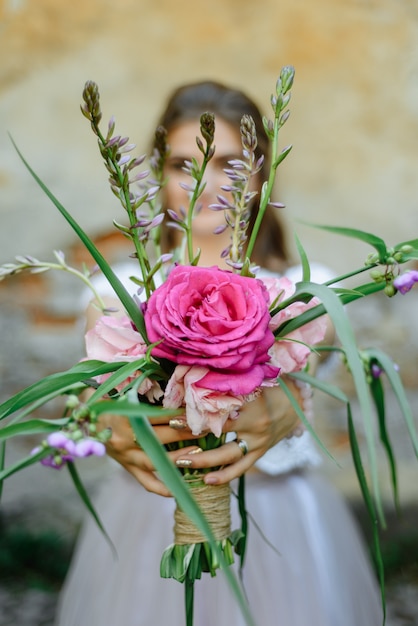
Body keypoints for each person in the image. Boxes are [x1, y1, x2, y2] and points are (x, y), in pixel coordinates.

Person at [55, 80, 383, 625]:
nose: (206, 184)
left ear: (260, 173)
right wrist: (108, 417)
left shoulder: (304, 291)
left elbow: (311, 365)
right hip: (154, 515)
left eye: (229, 163)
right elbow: (100, 391)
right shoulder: (119, 288)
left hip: (278, 517)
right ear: (157, 176)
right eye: (184, 164)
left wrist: (288, 405)